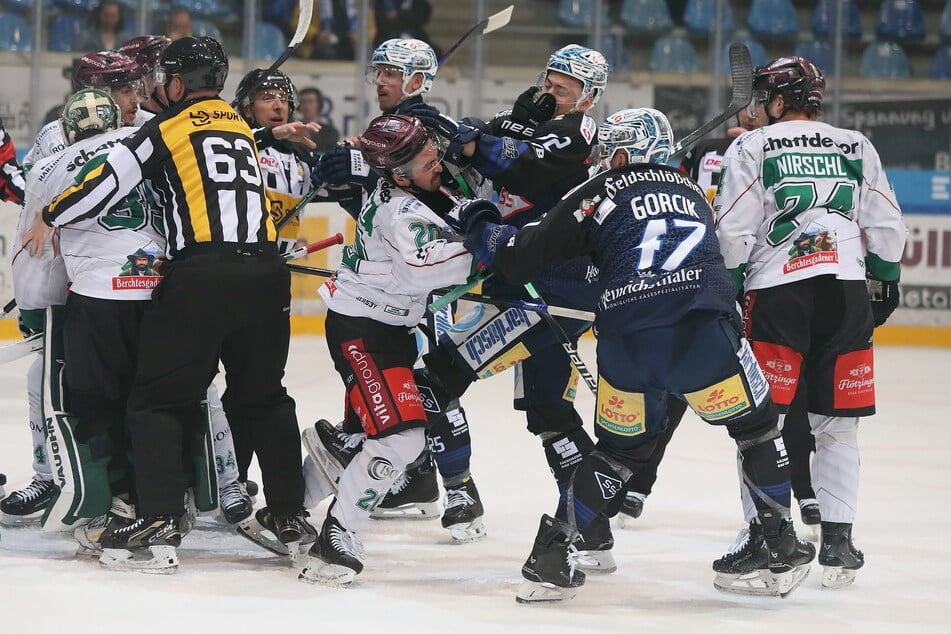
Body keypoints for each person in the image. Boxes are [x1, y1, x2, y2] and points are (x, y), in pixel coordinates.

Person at [446, 106, 815, 603]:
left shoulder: (594, 192)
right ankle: (778, 543)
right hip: (703, 330)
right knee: (756, 428)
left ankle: (552, 555)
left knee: (618, 452)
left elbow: (516, 255)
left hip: (626, 339)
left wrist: (477, 217)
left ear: (620, 152)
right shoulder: (693, 194)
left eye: (606, 154)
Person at [26, 36, 321, 572]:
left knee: (157, 398)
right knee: (265, 398)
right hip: (267, 277)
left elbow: (106, 182)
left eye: (165, 78)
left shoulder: (164, 128)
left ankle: (160, 518)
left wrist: (53, 214)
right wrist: (272, 131)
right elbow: (228, 139)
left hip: (202, 277)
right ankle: (289, 515)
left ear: (179, 83)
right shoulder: (234, 125)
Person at [409, 44, 619, 571]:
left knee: (433, 381)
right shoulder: (520, 118)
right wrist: (475, 137)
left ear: (588, 98)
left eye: (564, 89)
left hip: (544, 289)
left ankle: (459, 493)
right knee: (549, 412)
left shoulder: (580, 133)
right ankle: (591, 528)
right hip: (530, 287)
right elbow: (470, 163)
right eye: (549, 82)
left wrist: (480, 139)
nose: (551, 92)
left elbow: (519, 168)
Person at [712, 56, 908, 591]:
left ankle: (767, 535)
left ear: (777, 100)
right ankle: (839, 544)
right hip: (845, 292)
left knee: (760, 424)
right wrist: (885, 280)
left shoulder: (753, 145)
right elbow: (887, 222)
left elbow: (732, 228)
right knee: (838, 425)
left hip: (778, 296)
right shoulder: (855, 144)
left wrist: (726, 289)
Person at [307, 38, 489, 540]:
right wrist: (349, 184)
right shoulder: (386, 131)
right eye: (378, 72)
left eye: (392, 72)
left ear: (417, 80)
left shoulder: (431, 128)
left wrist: (361, 171)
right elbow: (378, 210)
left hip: (432, 279)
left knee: (429, 386)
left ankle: (461, 489)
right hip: (405, 277)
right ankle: (407, 477)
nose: (381, 81)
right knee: (389, 391)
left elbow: (448, 196)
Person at [297, 114, 474, 586]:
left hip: (385, 330)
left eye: (435, 151)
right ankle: (338, 534)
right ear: (398, 174)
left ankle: (289, 503)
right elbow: (423, 269)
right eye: (427, 159)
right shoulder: (400, 210)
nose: (439, 163)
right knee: (401, 438)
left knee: (363, 436)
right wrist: (494, 249)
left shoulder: (418, 188)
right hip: (364, 333)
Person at [372, 0, 442, 58]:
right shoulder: (389, 3)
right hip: (391, 37)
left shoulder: (420, 3)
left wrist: (399, 15)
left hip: (414, 36)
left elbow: (420, 19)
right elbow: (384, 20)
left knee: (435, 52)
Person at [297, 87, 340, 153]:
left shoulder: (330, 132)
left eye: (310, 101)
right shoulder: (294, 129)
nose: (306, 106)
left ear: (319, 104)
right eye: (303, 102)